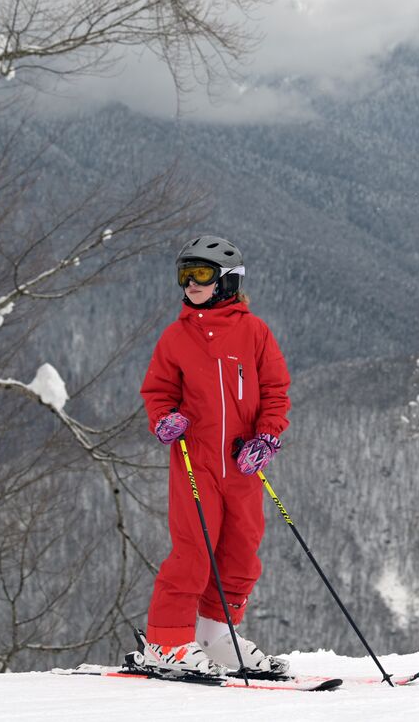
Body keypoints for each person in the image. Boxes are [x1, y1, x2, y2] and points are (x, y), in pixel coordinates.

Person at [135, 234, 291, 675]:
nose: (190, 284)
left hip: (242, 463)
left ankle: (215, 634)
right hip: (195, 461)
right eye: (184, 275)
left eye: (201, 274)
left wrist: (266, 437)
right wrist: (165, 419)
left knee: (241, 552)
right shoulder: (176, 337)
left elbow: (276, 391)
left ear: (227, 281)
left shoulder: (254, 332)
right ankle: (167, 640)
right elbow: (158, 391)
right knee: (194, 551)